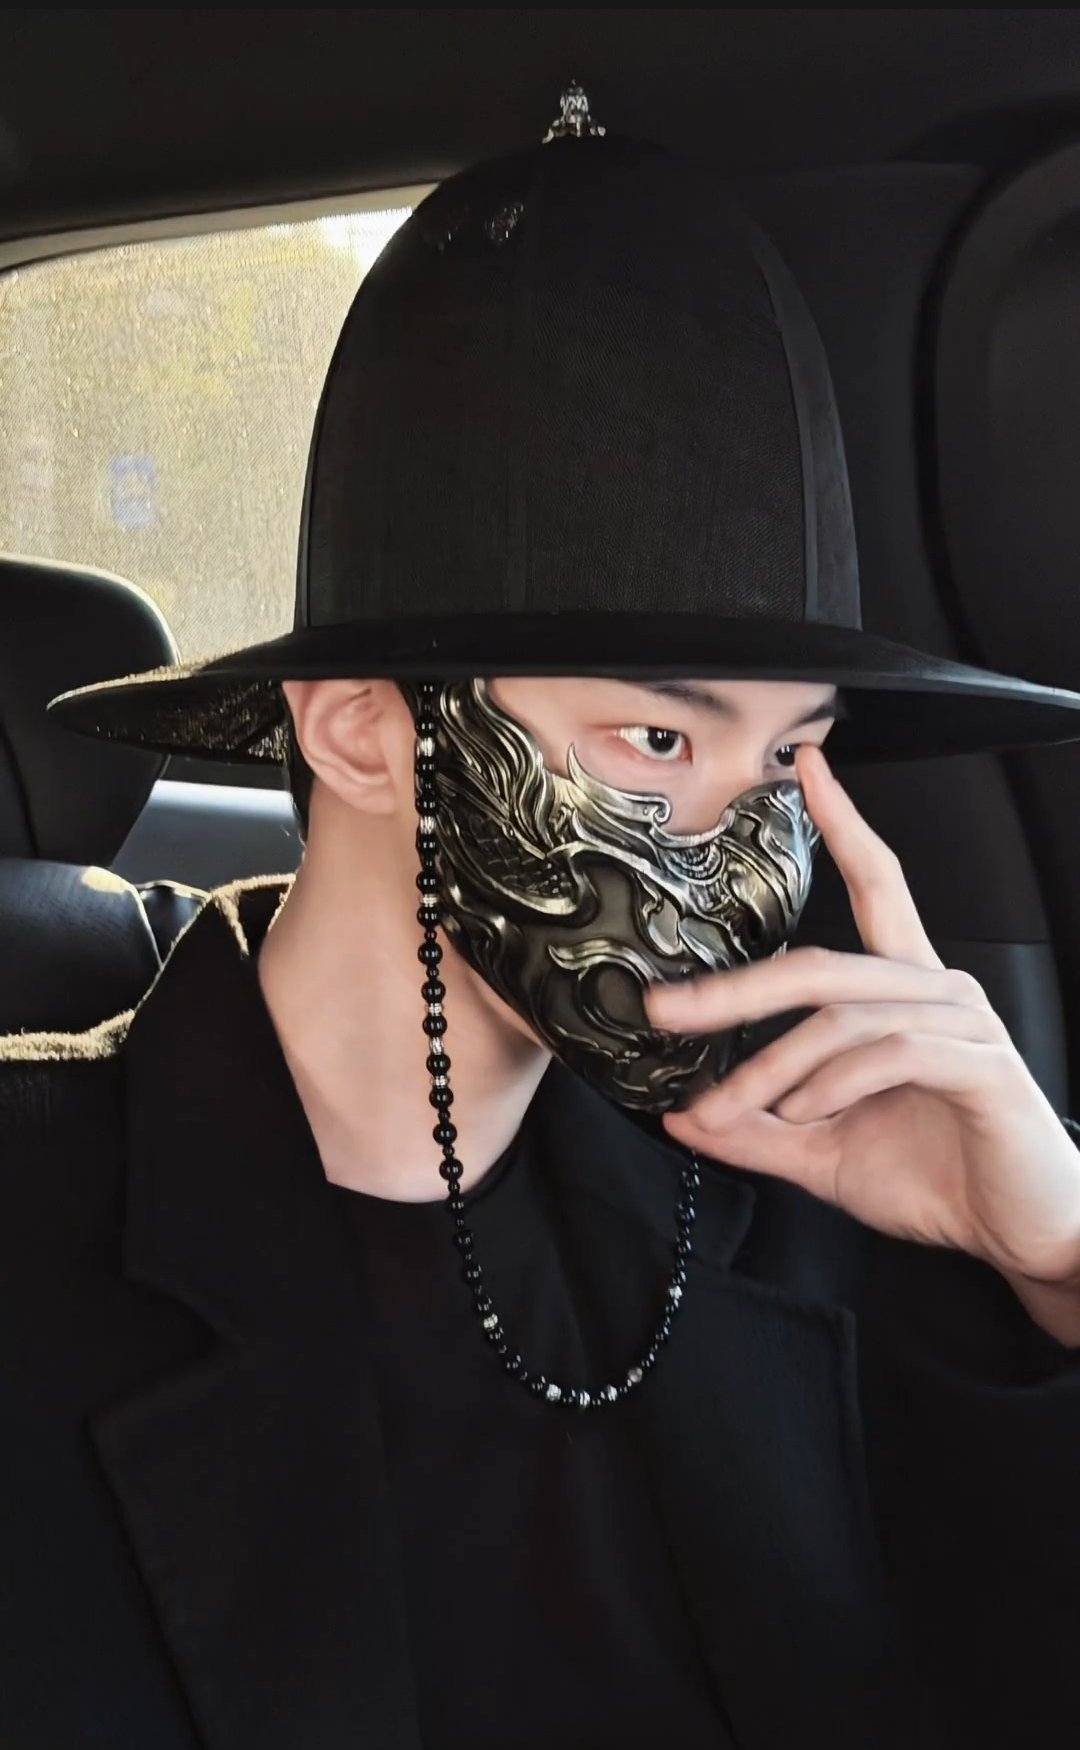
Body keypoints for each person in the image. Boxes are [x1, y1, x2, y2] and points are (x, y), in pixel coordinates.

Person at [5, 89, 1080, 1750]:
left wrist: (1060, 1255)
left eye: (785, 760)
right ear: (363, 730)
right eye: (656, 740)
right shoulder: (38, 1227)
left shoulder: (826, 1175)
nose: (747, 859)